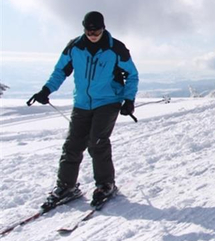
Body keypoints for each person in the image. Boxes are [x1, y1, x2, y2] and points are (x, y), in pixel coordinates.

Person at [27, 11, 138, 209]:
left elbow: (132, 74)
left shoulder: (115, 48)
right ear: (84, 28)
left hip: (108, 100)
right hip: (82, 103)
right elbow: (61, 71)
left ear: (103, 28)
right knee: (72, 144)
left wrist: (128, 100)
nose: (93, 35)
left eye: (97, 31)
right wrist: (46, 90)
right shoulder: (75, 47)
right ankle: (66, 186)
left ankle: (106, 184)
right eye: (89, 31)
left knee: (97, 142)